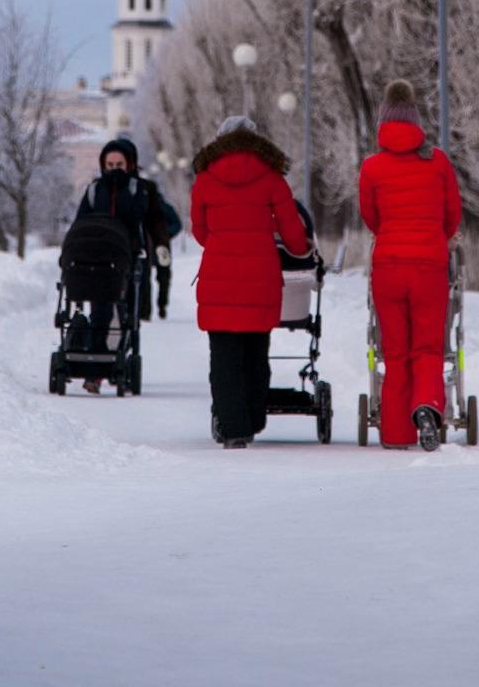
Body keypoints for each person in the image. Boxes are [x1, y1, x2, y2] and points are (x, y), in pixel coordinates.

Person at [190, 116, 310, 449]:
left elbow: (200, 231)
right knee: (256, 352)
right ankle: (254, 417)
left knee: (224, 357)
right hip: (260, 280)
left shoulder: (205, 178)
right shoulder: (271, 178)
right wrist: (301, 249)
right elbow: (294, 234)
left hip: (219, 279)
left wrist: (221, 242)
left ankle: (233, 428)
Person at [358, 80, 461, 451]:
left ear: (383, 124)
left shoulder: (372, 167)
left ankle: (395, 433)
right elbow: (453, 216)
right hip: (429, 266)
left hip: (388, 266)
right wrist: (434, 237)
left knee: (395, 351)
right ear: (417, 123)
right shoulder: (438, 162)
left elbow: (371, 218)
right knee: (429, 347)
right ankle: (427, 409)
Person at [72, 138, 170, 392]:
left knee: (127, 315)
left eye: (119, 164)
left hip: (128, 258)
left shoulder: (140, 189)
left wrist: (161, 247)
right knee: (100, 313)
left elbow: (149, 219)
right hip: (98, 260)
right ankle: (95, 371)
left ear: (130, 165)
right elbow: (82, 221)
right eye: (109, 164)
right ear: (103, 165)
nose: (114, 169)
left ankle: (119, 361)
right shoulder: (95, 190)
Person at [154, 193, 181, 319]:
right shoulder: (164, 206)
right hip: (161, 245)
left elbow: (177, 225)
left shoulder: (163, 207)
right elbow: (177, 224)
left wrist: (165, 234)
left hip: (160, 245)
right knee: (163, 278)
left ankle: (161, 305)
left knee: (163, 277)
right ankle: (160, 305)